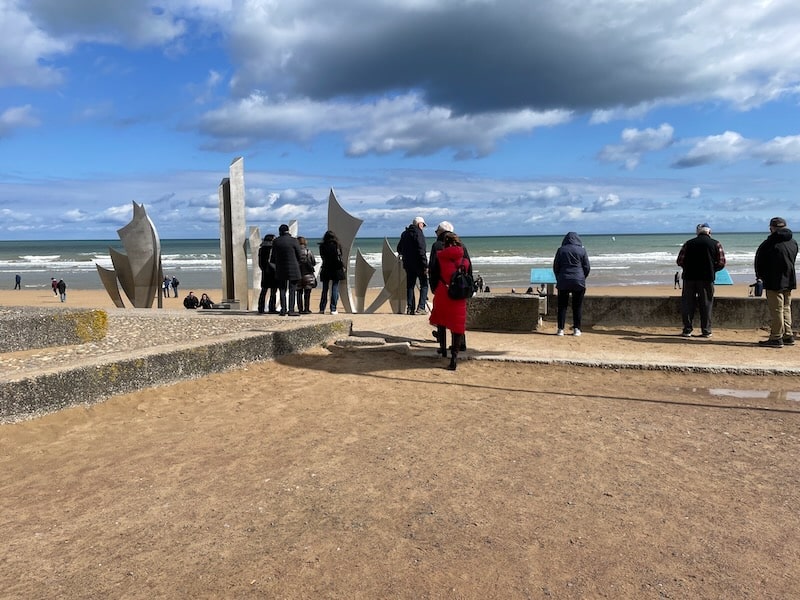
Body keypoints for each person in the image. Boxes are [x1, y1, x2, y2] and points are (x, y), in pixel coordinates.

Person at [429, 232, 471, 370]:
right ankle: (454, 358)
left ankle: (443, 349)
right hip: (458, 295)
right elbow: (469, 277)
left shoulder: (440, 258)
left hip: (443, 292)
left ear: (445, 244)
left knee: (441, 321)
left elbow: (433, 273)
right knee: (457, 326)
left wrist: (433, 288)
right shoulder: (464, 261)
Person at [755, 216, 798, 347]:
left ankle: (776, 337)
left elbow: (759, 261)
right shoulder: (793, 242)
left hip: (774, 280)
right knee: (786, 308)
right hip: (789, 278)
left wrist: (760, 276)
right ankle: (788, 334)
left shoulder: (769, 243)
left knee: (777, 309)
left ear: (771, 228)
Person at [676, 223, 726, 338]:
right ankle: (706, 330)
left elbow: (680, 261)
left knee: (688, 304)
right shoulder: (715, 243)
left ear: (697, 232)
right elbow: (722, 262)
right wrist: (713, 269)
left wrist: (687, 267)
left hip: (689, 277)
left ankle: (687, 329)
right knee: (706, 304)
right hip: (707, 278)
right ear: (709, 232)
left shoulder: (688, 243)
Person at [552, 231, 591, 336]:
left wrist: (559, 278)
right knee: (577, 306)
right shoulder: (582, 251)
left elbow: (556, 266)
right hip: (578, 281)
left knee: (562, 306)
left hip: (564, 280)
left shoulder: (561, 250)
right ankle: (577, 329)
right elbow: (587, 267)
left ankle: (560, 329)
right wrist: (582, 277)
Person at [396, 216, 429, 314]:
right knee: (424, 284)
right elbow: (421, 250)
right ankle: (421, 308)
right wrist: (425, 265)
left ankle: (410, 308)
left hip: (408, 264)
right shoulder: (419, 233)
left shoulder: (405, 234)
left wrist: (407, 255)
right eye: (423, 225)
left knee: (410, 286)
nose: (423, 227)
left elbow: (399, 248)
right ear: (419, 224)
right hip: (419, 264)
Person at [272, 224, 302, 316]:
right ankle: (291, 310)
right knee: (292, 289)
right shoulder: (294, 241)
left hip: (281, 268)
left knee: (282, 289)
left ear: (280, 231)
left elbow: (273, 257)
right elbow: (299, 255)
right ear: (288, 231)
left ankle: (283, 309)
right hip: (293, 268)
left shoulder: (276, 241)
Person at [318, 230, 345, 315]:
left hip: (326, 268)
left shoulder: (322, 246)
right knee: (335, 287)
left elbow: (322, 257)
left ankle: (322, 308)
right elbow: (340, 256)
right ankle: (333, 308)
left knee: (325, 289)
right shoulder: (337, 245)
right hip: (336, 269)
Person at [257, 233, 278, 314]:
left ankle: (261, 307)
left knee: (264, 291)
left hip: (265, 272)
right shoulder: (273, 249)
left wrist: (263, 269)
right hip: (273, 271)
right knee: (273, 291)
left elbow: (260, 262)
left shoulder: (261, 249)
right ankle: (272, 308)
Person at [295, 236, 317, 314]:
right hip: (308, 275)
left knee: (299, 293)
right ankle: (306, 309)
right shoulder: (308, 251)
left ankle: (300, 309)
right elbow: (313, 262)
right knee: (307, 294)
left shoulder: (294, 252)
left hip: (298, 275)